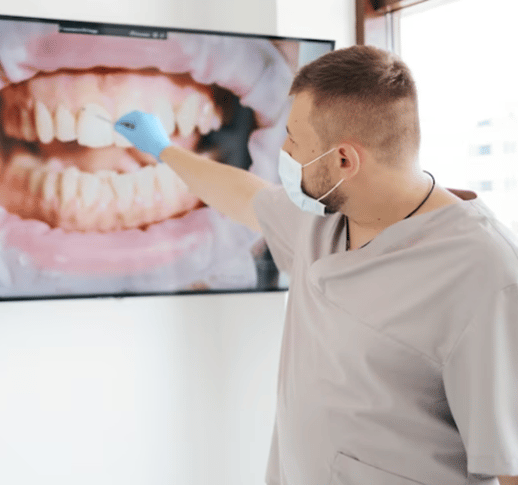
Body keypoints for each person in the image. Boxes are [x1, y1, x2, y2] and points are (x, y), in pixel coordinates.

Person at [113, 45, 518, 485]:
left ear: (344, 160)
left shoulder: (484, 272)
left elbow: (510, 464)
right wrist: (162, 149)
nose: (283, 151)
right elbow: (245, 195)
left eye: (293, 139)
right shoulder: (322, 220)